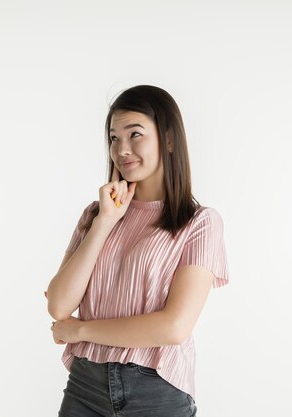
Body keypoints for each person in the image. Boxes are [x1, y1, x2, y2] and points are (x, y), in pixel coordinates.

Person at [46, 85, 229, 417]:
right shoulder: (96, 214)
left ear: (169, 140)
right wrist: (105, 222)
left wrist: (80, 330)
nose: (122, 149)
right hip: (85, 386)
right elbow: (59, 305)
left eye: (135, 134)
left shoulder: (199, 223)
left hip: (155, 391)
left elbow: (173, 328)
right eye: (114, 138)